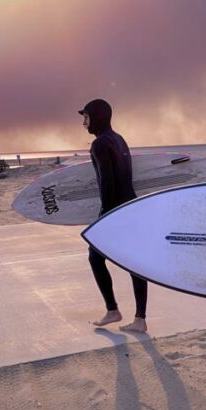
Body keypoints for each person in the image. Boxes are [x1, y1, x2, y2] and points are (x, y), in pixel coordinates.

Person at [79, 98, 149, 333]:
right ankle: (140, 319)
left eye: (86, 117)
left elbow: (107, 182)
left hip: (116, 211)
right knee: (134, 262)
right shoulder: (119, 139)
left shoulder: (99, 144)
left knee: (95, 258)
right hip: (131, 206)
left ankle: (112, 310)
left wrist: (103, 216)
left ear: (96, 117)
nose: (84, 123)